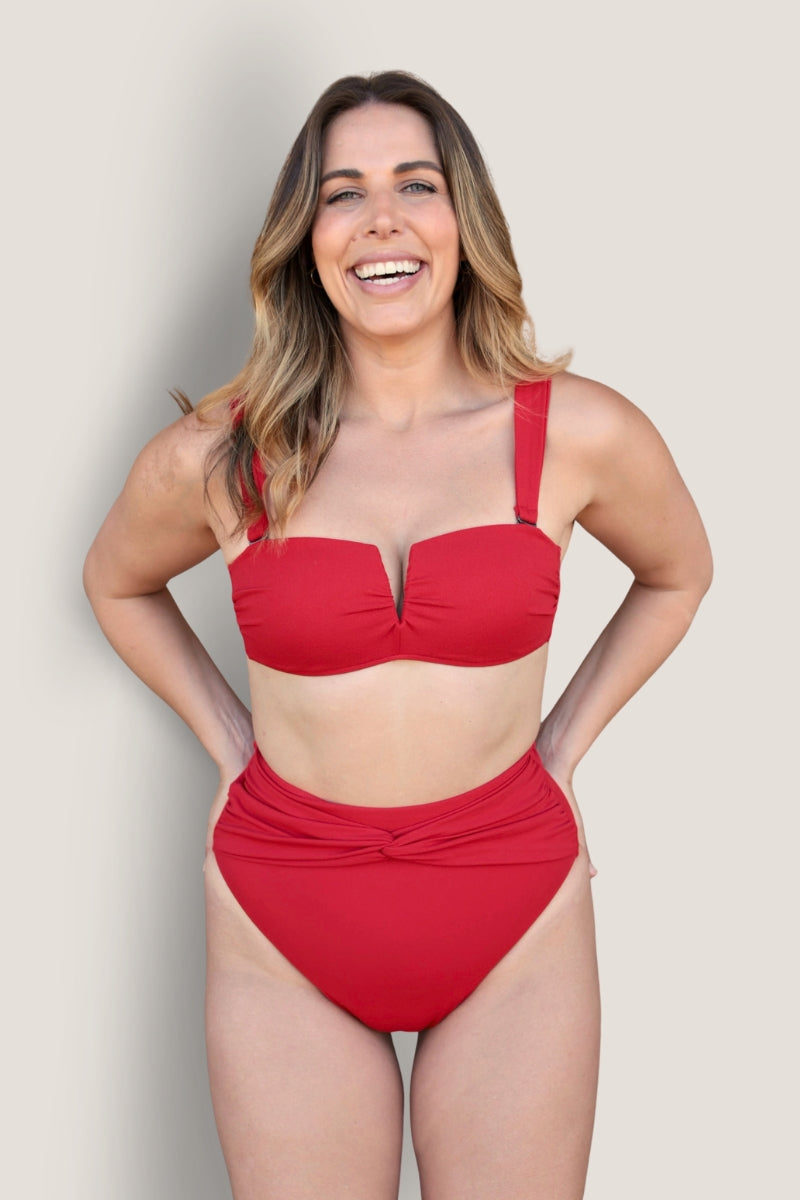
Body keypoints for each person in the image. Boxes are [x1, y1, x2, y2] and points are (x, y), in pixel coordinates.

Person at [83, 70, 712, 1200]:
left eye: (415, 184)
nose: (380, 218)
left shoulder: (575, 431)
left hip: (513, 903)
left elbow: (679, 572)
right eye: (343, 192)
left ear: (464, 220)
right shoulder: (225, 453)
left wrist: (561, 750)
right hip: (284, 908)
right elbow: (116, 582)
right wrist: (228, 744)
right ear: (306, 237)